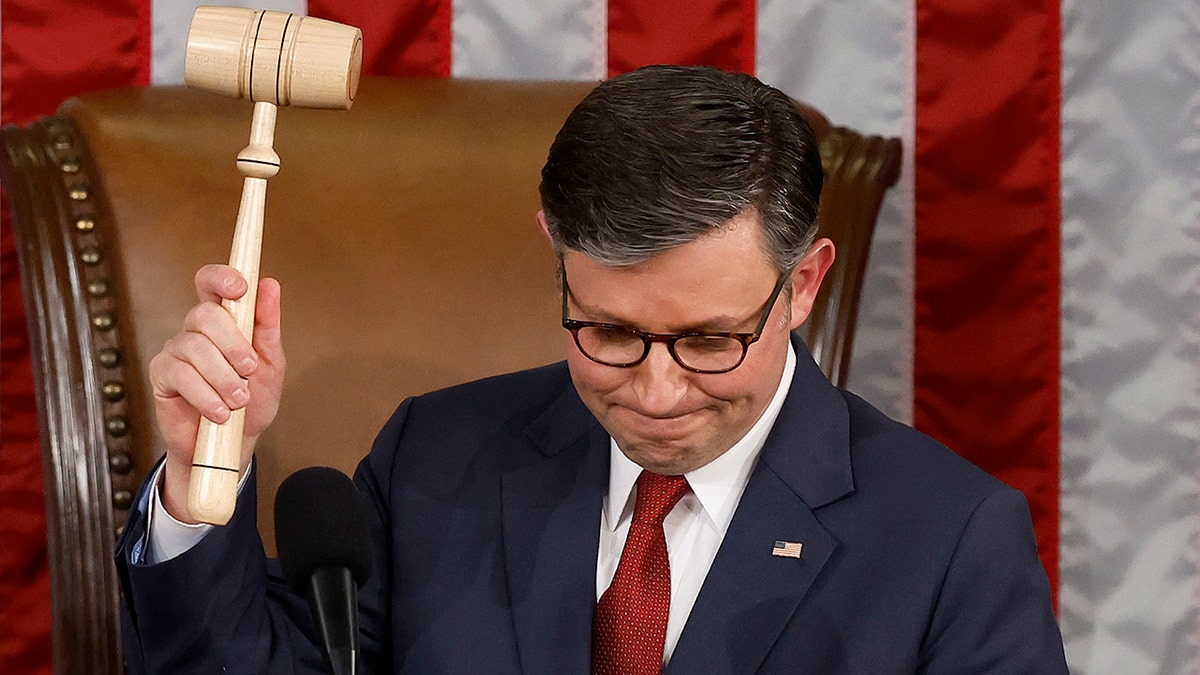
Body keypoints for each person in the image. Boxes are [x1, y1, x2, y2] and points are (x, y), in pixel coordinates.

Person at [116, 65, 1068, 673]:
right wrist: (206, 486)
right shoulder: (436, 456)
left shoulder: (948, 540)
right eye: (608, 332)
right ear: (558, 258)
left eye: (708, 341)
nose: (655, 394)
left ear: (805, 283)